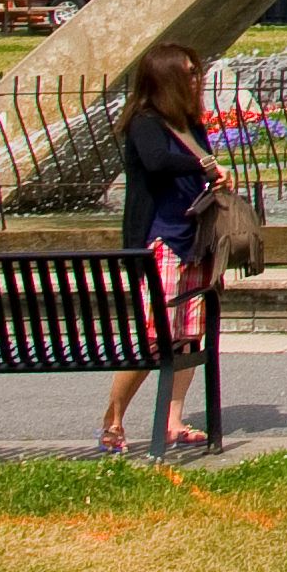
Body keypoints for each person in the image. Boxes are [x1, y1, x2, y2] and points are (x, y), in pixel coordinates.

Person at [100, 40, 224, 456]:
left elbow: (197, 170)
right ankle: (113, 419)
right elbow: (156, 162)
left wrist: (216, 179)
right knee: (154, 338)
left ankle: (172, 420)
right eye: (189, 72)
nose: (196, 78)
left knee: (187, 337)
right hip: (160, 241)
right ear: (167, 77)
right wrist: (205, 165)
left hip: (194, 240)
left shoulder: (191, 124)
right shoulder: (145, 122)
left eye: (197, 70)